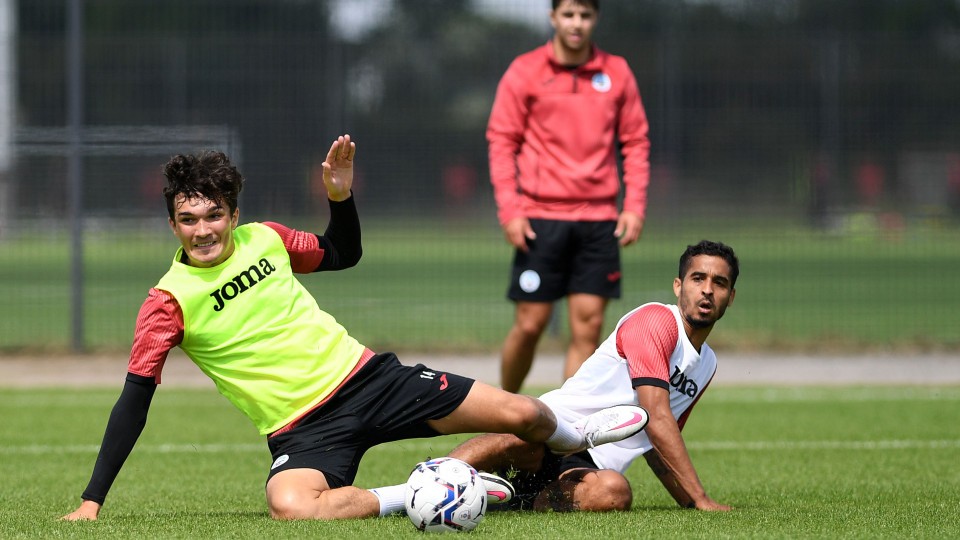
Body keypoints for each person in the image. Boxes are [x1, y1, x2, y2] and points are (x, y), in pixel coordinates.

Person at [60, 135, 649, 522]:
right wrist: (93, 501)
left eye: (214, 214)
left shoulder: (265, 237)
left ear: (233, 214)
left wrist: (340, 198)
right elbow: (134, 401)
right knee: (291, 506)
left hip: (370, 380)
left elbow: (343, 252)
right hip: (303, 430)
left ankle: (578, 433)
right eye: (189, 219)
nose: (204, 229)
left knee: (525, 415)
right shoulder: (166, 302)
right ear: (172, 224)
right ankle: (425, 494)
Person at [372, 241, 737, 514]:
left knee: (615, 494)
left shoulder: (707, 364)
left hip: (588, 467)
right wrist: (703, 500)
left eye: (719, 283)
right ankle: (422, 489)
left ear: (730, 297)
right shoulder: (655, 321)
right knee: (519, 441)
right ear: (678, 286)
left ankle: (514, 502)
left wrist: (690, 504)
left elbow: (659, 441)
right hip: (551, 430)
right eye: (697, 278)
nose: (707, 290)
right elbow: (656, 416)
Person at [487, 0, 651, 393]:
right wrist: (510, 210)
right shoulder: (525, 71)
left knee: (588, 327)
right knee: (530, 324)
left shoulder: (617, 72)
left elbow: (636, 142)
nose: (577, 23)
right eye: (569, 14)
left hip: (598, 221)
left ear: (595, 19)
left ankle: (564, 431)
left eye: (585, 15)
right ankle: (503, 411)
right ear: (553, 17)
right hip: (540, 218)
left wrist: (634, 207)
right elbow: (501, 141)